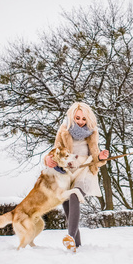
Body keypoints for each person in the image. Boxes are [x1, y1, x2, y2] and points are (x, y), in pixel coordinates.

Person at [44, 102, 109, 252]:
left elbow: (96, 157)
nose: (81, 121)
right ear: (72, 117)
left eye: (84, 119)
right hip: (67, 173)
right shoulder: (63, 130)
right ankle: (76, 245)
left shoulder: (92, 132)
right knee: (67, 208)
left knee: (75, 194)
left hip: (85, 170)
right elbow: (54, 151)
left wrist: (101, 156)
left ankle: (70, 237)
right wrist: (48, 159)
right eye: (78, 118)